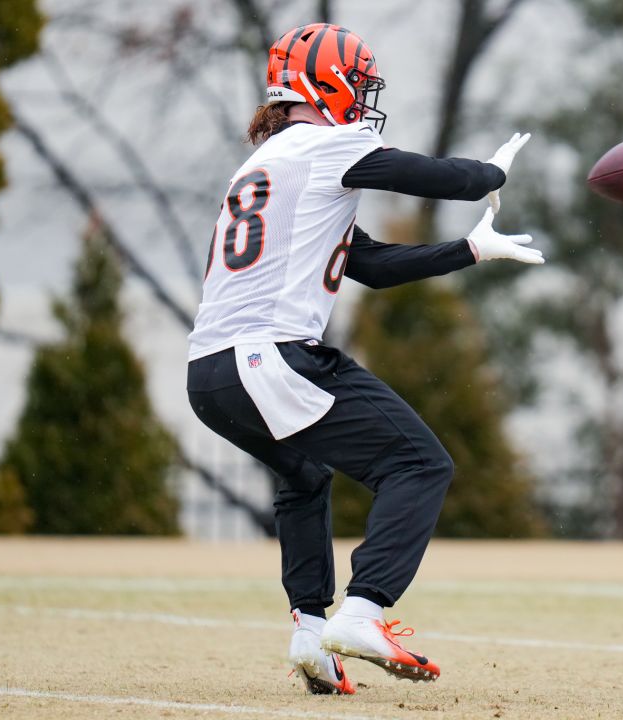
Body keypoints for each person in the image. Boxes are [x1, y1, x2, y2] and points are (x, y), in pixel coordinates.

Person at [186, 23, 542, 695]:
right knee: (419, 463)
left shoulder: (265, 163)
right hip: (271, 358)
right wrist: (489, 175)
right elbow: (433, 176)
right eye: (360, 84)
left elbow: (369, 265)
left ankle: (308, 632)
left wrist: (468, 251)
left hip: (209, 375)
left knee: (304, 474)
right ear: (328, 81)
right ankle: (363, 610)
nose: (366, 100)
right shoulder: (326, 144)